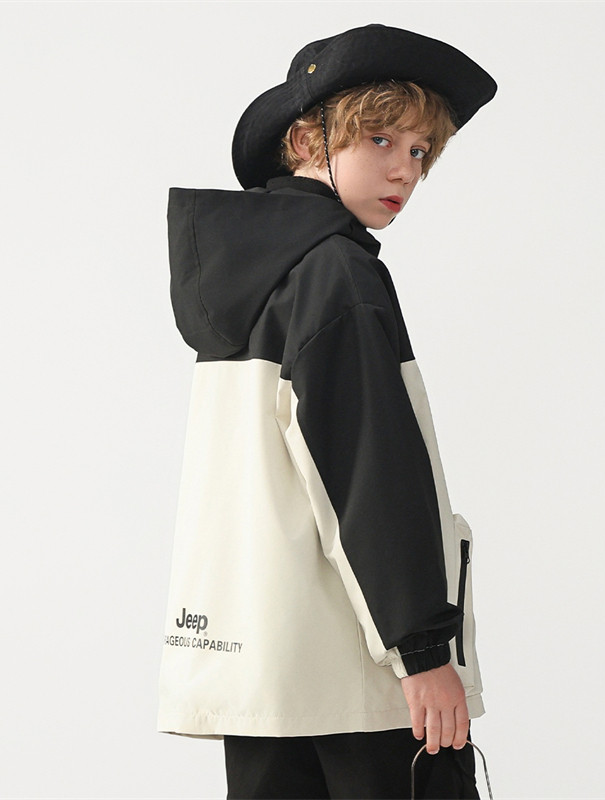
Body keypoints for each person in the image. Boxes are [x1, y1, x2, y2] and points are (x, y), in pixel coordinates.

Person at [157, 23, 496, 799]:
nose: (405, 169)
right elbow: (365, 469)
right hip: (359, 677)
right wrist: (423, 653)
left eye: (421, 151)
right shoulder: (336, 272)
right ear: (307, 140)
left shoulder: (250, 277)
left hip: (266, 678)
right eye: (380, 139)